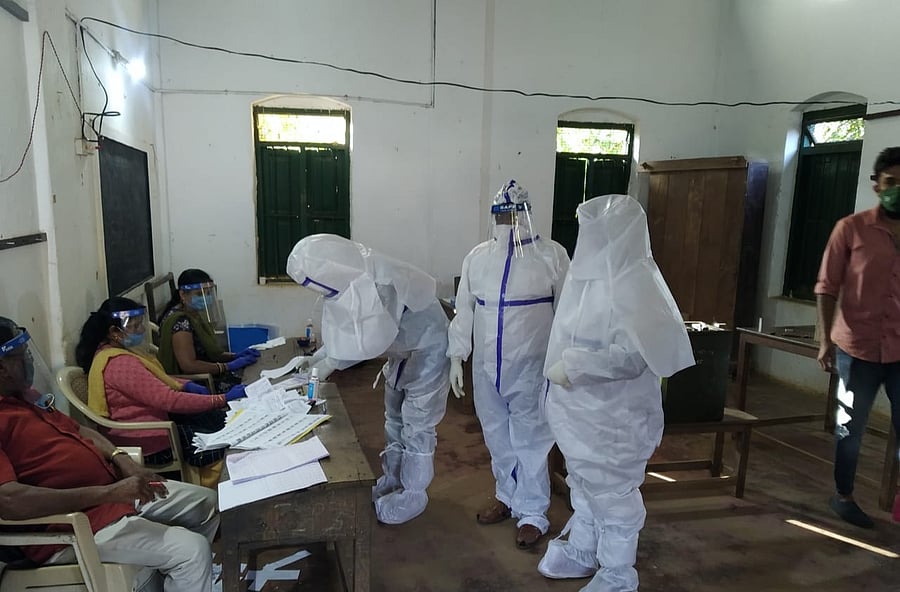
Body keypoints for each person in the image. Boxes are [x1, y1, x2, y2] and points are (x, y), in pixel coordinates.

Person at [536, 195, 694, 591]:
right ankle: (586, 551)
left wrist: (574, 366)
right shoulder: (585, 279)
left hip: (615, 418)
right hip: (579, 417)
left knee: (614, 494)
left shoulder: (637, 281)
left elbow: (633, 357)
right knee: (585, 485)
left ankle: (618, 573)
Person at [0, 317, 219, 591]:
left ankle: (180, 579)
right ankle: (185, 568)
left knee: (207, 503)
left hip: (111, 493)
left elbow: (80, 430)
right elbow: (9, 501)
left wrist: (121, 459)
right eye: (22, 356)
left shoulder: (26, 397)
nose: (29, 361)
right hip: (73, 524)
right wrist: (108, 493)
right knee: (192, 550)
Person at [286, 234, 450, 525]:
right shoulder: (352, 278)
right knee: (395, 419)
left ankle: (413, 494)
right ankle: (393, 481)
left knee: (418, 427)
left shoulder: (379, 281)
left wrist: (331, 363)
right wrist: (318, 358)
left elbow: (371, 340)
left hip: (427, 348)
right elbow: (351, 330)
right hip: (404, 351)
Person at [446, 179, 569, 549]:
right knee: (496, 435)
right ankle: (507, 495)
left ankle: (533, 512)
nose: (506, 223)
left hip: (532, 367)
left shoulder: (553, 257)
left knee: (531, 439)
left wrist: (565, 362)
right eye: (500, 216)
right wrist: (457, 357)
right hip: (487, 368)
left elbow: (568, 313)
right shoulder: (478, 258)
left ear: (527, 214)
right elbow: (464, 309)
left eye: (513, 215)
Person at [815, 146, 900, 528]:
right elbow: (826, 286)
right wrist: (824, 340)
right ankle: (843, 495)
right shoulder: (851, 228)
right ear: (877, 186)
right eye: (891, 182)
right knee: (850, 427)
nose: (897, 189)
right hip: (857, 347)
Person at [75, 297, 246, 485]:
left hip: (160, 423)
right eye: (135, 327)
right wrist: (221, 399)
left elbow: (153, 381)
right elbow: (169, 400)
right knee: (229, 441)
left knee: (222, 421)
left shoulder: (112, 352)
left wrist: (184, 384)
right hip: (149, 442)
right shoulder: (120, 364)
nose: (141, 330)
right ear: (115, 332)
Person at [157, 268, 260, 392]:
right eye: (200, 294)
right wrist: (226, 366)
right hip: (198, 382)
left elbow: (209, 353)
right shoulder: (180, 323)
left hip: (210, 371)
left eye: (208, 293)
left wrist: (235, 356)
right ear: (183, 294)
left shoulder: (194, 313)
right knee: (253, 386)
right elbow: (189, 366)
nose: (206, 298)